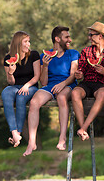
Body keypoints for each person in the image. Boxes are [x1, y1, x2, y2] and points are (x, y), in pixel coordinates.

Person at [23, 26, 79, 156]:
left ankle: (62, 137)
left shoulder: (73, 54)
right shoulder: (44, 56)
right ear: (57, 39)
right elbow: (43, 82)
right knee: (34, 103)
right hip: (50, 86)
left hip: (68, 84)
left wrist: (63, 84)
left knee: (61, 98)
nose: (69, 40)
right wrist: (46, 66)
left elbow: (72, 75)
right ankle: (32, 141)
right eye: (67, 37)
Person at [72, 21, 104, 141]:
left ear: (100, 36)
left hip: (102, 84)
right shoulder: (86, 51)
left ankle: (83, 127)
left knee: (102, 94)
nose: (89, 37)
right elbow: (80, 73)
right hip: (87, 83)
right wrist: (79, 74)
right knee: (75, 93)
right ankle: (83, 128)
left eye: (91, 35)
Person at [1, 31, 40, 148]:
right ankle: (14, 132)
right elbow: (10, 82)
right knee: (5, 93)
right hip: (15, 87)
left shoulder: (34, 55)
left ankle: (17, 134)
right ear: (18, 43)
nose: (29, 44)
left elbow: (37, 76)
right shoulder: (8, 58)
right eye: (26, 42)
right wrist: (10, 73)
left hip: (31, 86)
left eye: (29, 41)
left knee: (21, 97)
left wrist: (27, 85)